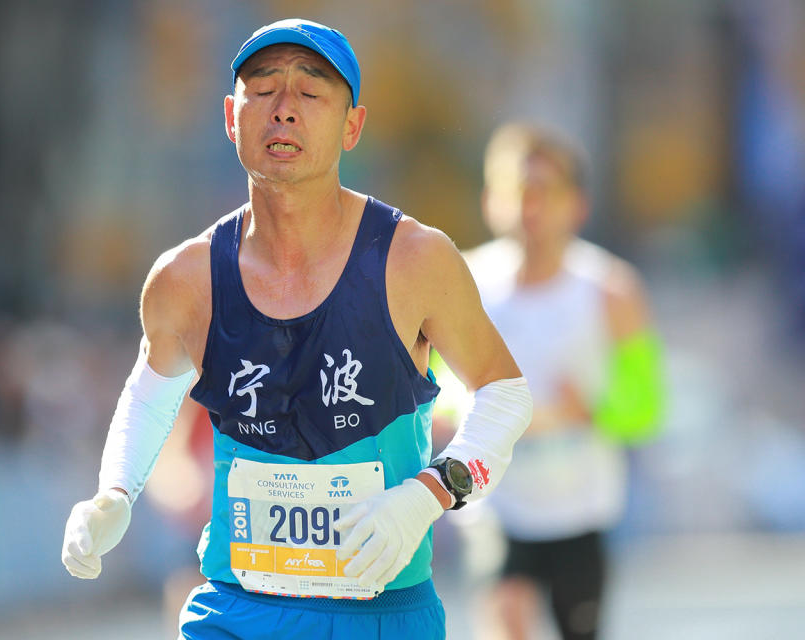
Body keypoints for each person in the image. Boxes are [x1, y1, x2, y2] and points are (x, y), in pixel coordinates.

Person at [60, 19, 533, 640]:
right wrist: (113, 495)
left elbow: (506, 395)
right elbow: (152, 390)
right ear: (232, 116)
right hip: (236, 609)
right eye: (263, 90)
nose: (284, 111)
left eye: (311, 94)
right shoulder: (186, 278)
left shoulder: (414, 260)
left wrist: (426, 496)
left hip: (383, 614)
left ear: (352, 125)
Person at [457, 122, 664, 640]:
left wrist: (587, 410)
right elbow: (433, 388)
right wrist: (476, 412)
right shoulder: (466, 285)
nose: (531, 208)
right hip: (498, 505)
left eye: (545, 192)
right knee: (506, 621)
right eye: (517, 192)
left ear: (577, 205)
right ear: (491, 201)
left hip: (581, 507)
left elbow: (647, 404)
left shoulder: (612, 291)